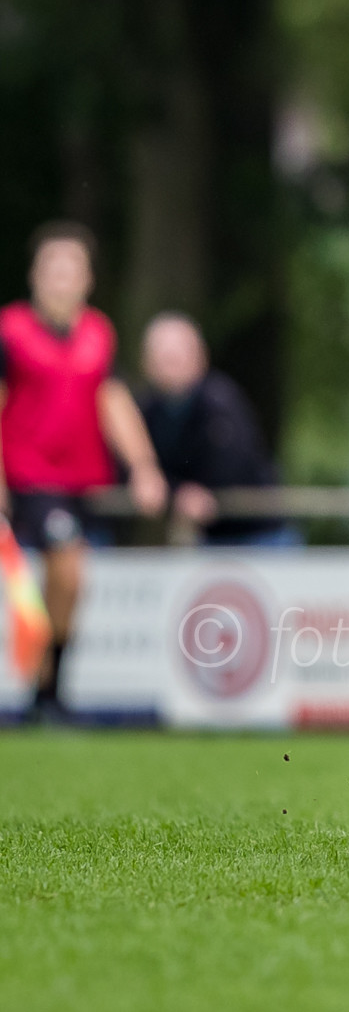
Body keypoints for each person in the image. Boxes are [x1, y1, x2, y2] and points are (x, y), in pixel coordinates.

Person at [0, 223, 166, 716]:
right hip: (29, 474)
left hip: (83, 478)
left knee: (71, 582)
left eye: (72, 268)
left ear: (87, 279)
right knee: (67, 568)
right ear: (35, 275)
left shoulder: (98, 332)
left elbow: (112, 400)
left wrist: (144, 466)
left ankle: (47, 688)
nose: (62, 276)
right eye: (53, 266)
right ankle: (46, 688)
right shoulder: (10, 331)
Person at [138, 312, 293, 546]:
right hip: (211, 540)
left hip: (259, 534)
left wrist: (194, 492)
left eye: (176, 357)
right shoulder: (146, 410)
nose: (170, 366)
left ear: (200, 357)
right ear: (146, 363)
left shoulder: (221, 401)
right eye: (163, 357)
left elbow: (233, 463)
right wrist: (178, 492)